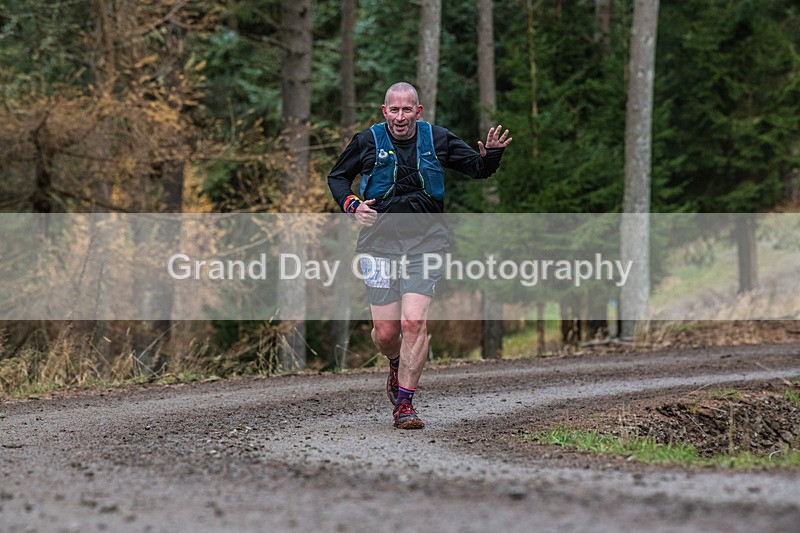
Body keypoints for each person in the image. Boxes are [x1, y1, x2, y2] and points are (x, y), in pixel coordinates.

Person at [327, 82, 511, 429]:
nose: (400, 117)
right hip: (378, 245)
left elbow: (477, 168)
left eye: (406, 110)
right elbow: (337, 178)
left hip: (427, 242)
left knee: (414, 322)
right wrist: (352, 206)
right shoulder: (367, 141)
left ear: (418, 111)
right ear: (385, 112)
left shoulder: (437, 138)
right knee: (384, 332)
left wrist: (492, 154)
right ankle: (395, 361)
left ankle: (405, 404)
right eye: (393, 110)